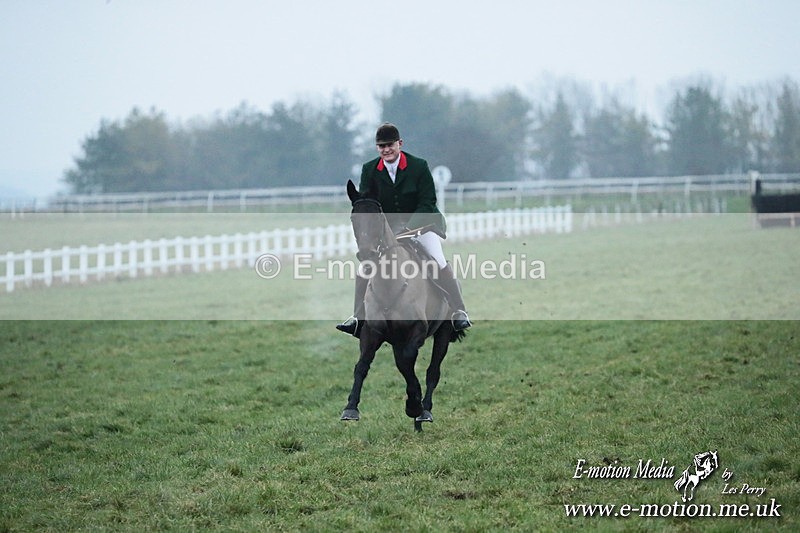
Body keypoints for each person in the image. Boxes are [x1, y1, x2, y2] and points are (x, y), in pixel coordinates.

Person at [337, 122, 471, 337]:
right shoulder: (369, 169)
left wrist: (410, 228)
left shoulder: (419, 166)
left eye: (389, 145)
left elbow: (428, 201)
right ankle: (357, 317)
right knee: (366, 266)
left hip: (422, 223)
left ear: (399, 143)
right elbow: (368, 203)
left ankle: (458, 310)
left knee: (437, 260)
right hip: (387, 229)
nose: (386, 150)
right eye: (381, 146)